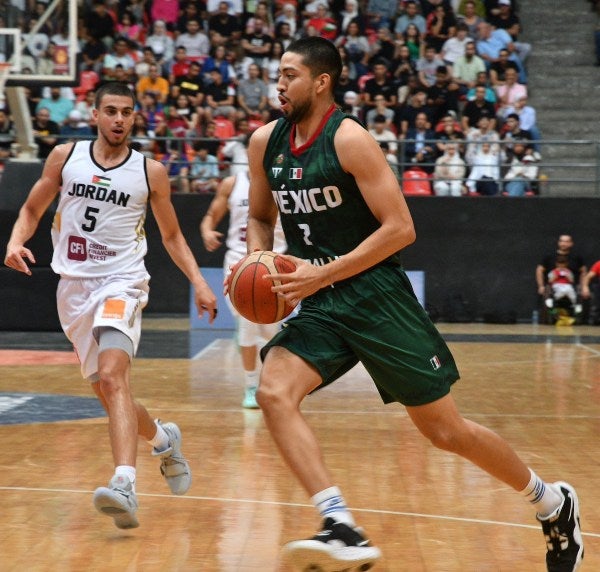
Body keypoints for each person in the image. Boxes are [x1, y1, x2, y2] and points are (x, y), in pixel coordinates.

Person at [242, 36, 583, 571]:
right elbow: (260, 216)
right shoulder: (266, 142)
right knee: (273, 391)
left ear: (321, 81)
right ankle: (339, 524)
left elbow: (401, 228)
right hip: (321, 303)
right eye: (278, 75)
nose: (279, 85)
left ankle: (552, 501)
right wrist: (255, 259)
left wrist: (323, 273)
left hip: (376, 297)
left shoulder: (351, 140)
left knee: (447, 432)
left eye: (289, 75)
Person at [4, 82, 218, 530]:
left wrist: (199, 282)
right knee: (107, 392)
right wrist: (15, 241)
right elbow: (32, 207)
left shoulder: (150, 171)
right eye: (111, 111)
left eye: (127, 112)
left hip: (122, 282)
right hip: (74, 289)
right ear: (95, 114)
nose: (119, 119)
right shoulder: (65, 157)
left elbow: (173, 236)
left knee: (113, 374)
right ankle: (163, 440)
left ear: (135, 117)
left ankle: (124, 484)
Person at [201, 168, 287, 407]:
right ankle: (252, 385)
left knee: (269, 330)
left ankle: (253, 354)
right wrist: (207, 230)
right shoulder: (233, 183)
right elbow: (211, 215)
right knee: (250, 322)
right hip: (237, 262)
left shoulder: (284, 181)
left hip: (273, 261)